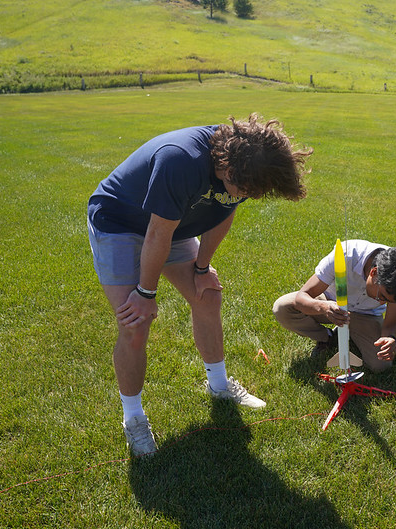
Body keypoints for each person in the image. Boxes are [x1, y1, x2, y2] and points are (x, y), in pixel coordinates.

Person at [87, 114, 312, 456]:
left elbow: (223, 212)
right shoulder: (180, 159)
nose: (248, 196)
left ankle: (218, 386)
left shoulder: (249, 168)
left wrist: (202, 268)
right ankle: (133, 418)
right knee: (135, 321)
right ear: (226, 167)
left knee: (207, 295)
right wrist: (145, 294)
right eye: (246, 190)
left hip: (173, 223)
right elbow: (157, 233)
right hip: (119, 221)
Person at [273, 240, 396, 372]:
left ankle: (349, 333)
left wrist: (391, 338)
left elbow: (391, 324)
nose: (381, 303)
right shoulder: (345, 255)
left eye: (388, 302)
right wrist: (323, 307)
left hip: (366, 315)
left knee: (381, 365)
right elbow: (301, 297)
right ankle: (327, 338)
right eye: (382, 297)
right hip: (330, 301)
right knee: (283, 308)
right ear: (374, 272)